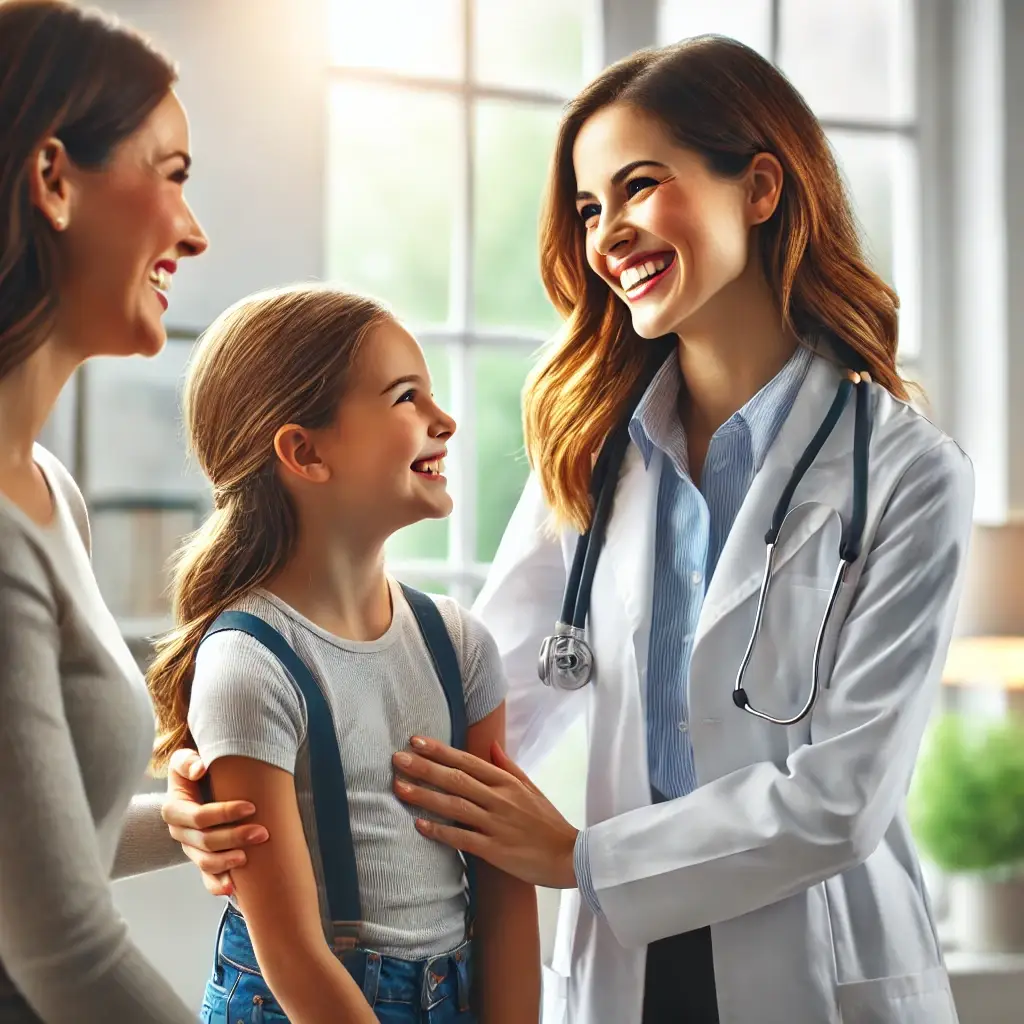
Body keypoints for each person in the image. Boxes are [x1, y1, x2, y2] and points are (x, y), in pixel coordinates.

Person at [163, 35, 973, 1024]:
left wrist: (577, 855)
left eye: (638, 187)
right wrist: (223, 798)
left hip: (815, 966)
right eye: (590, 208)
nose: (607, 235)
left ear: (759, 187)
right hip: (620, 973)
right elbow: (445, 718)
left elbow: (842, 799)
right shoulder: (591, 458)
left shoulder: (905, 473)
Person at [145, 284, 541, 1024]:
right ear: (304, 451)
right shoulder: (248, 665)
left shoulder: (459, 645)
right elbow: (293, 959)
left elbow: (505, 884)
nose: (445, 420)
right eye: (405, 398)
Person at [0, 1, 226, 1020]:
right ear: (53, 178)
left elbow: (37, 850)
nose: (193, 228)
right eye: (171, 174)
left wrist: (174, 818)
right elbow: (65, 951)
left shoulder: (51, 495)